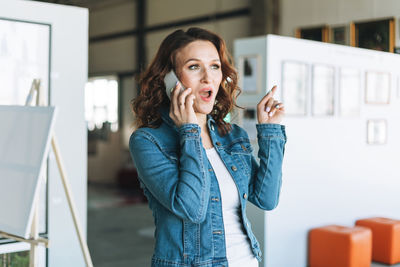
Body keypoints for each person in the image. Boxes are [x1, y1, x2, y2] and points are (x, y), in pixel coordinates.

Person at [129, 27, 286, 267]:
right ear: (169, 79)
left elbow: (266, 199)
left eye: (214, 66)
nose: (208, 77)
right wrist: (189, 131)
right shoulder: (148, 141)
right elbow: (192, 209)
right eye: (194, 67)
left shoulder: (232, 135)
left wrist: (271, 131)